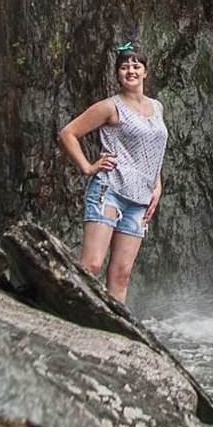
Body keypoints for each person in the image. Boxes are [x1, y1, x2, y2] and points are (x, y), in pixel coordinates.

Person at [57, 44, 166, 306]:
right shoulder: (110, 107)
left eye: (136, 66)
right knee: (92, 264)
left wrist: (157, 186)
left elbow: (153, 149)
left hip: (140, 200)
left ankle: (113, 330)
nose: (130, 71)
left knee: (121, 274)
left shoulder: (157, 107)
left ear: (145, 72)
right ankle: (70, 313)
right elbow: (68, 133)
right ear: (118, 74)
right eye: (124, 67)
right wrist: (87, 166)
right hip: (110, 191)